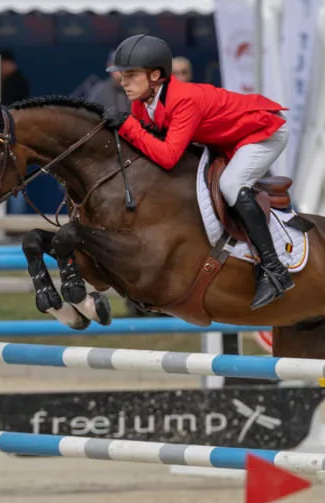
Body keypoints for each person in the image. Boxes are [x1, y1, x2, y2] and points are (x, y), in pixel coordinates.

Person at [101, 34, 291, 310]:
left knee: (231, 184)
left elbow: (167, 157)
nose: (123, 81)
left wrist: (128, 126)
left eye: (131, 75)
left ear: (155, 76)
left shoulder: (184, 99)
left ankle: (274, 269)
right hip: (227, 139)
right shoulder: (141, 103)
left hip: (264, 131)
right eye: (122, 74)